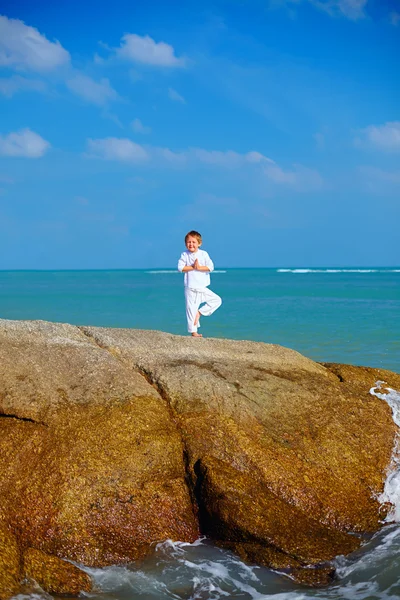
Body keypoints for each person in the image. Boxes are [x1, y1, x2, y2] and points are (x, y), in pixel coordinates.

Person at [177, 231, 222, 337]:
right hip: (190, 288)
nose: (191, 244)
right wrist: (192, 267)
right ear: (185, 244)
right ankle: (194, 332)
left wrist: (199, 267)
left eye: (193, 242)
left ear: (199, 243)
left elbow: (211, 267)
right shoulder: (185, 254)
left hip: (202, 288)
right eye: (188, 242)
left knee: (217, 300)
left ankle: (200, 313)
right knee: (190, 310)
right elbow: (180, 268)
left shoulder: (203, 254)